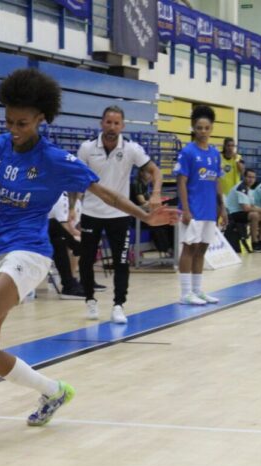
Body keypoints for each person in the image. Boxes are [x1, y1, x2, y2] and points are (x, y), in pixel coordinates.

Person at [0, 68, 178, 432]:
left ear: (41, 119)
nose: (14, 129)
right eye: (9, 120)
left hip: (31, 252)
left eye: (22, 123)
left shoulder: (55, 159)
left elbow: (106, 193)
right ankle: (54, 391)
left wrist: (144, 216)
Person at [77, 106, 163, 324]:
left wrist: (155, 193)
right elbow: (76, 181)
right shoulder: (87, 148)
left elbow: (155, 171)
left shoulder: (131, 149)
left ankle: (118, 305)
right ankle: (90, 299)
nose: (112, 127)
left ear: (122, 126)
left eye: (116, 123)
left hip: (119, 214)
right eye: (108, 122)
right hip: (90, 212)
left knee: (121, 261)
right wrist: (72, 208)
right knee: (86, 260)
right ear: (101, 123)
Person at [176, 105, 228, 306]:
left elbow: (217, 181)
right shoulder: (187, 152)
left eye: (207, 128)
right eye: (199, 128)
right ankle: (185, 293)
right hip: (193, 210)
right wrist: (186, 209)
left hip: (209, 211)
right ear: (193, 128)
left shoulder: (215, 154)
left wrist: (221, 207)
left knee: (202, 250)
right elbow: (181, 182)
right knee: (189, 249)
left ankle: (197, 290)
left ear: (212, 128)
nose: (203, 131)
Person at [47, 192, 84, 298]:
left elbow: (72, 227)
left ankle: (69, 283)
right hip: (24, 232)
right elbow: (64, 226)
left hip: (49, 232)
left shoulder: (74, 202)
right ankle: (69, 283)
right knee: (56, 229)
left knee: (59, 240)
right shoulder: (60, 197)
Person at [131, 165, 174, 255]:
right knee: (157, 226)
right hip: (137, 217)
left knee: (169, 223)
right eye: (148, 173)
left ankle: (171, 249)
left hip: (145, 215)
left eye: (152, 173)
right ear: (141, 173)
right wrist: (156, 204)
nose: (151, 175)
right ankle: (166, 250)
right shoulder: (137, 183)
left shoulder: (145, 185)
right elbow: (142, 202)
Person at [225, 169, 261, 252]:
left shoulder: (250, 189)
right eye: (249, 177)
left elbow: (252, 205)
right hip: (232, 214)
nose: (251, 179)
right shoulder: (241, 188)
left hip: (242, 212)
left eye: (253, 177)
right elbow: (246, 208)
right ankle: (254, 243)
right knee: (255, 215)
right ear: (244, 177)